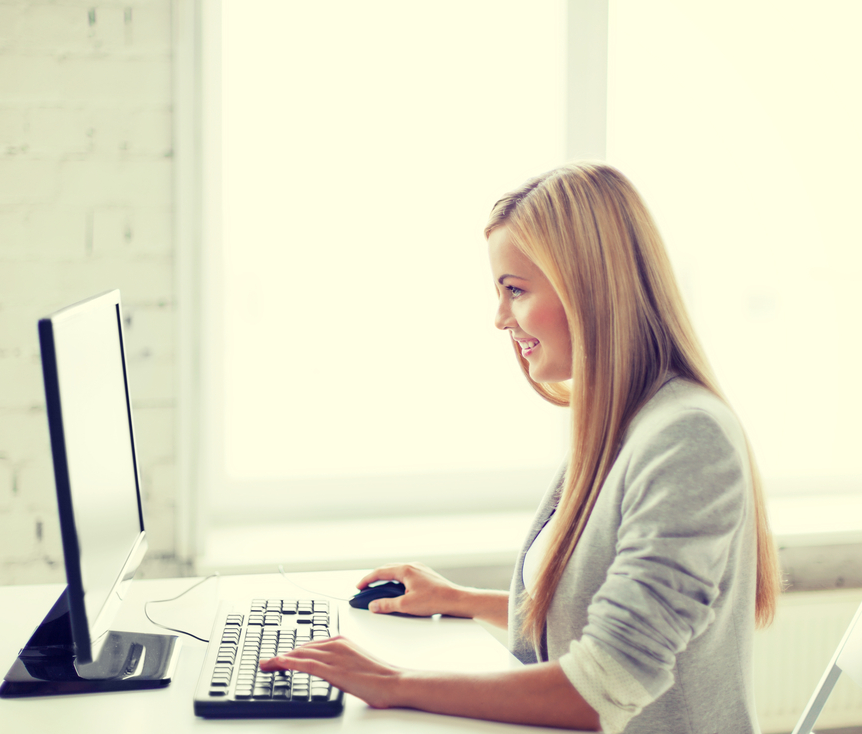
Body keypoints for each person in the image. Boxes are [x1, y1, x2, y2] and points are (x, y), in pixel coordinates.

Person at [260, 162, 781, 733]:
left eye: (515, 290)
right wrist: (459, 599)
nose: (500, 318)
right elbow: (587, 616)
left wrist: (391, 684)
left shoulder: (687, 438)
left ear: (588, 288)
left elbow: (602, 687)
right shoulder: (622, 423)